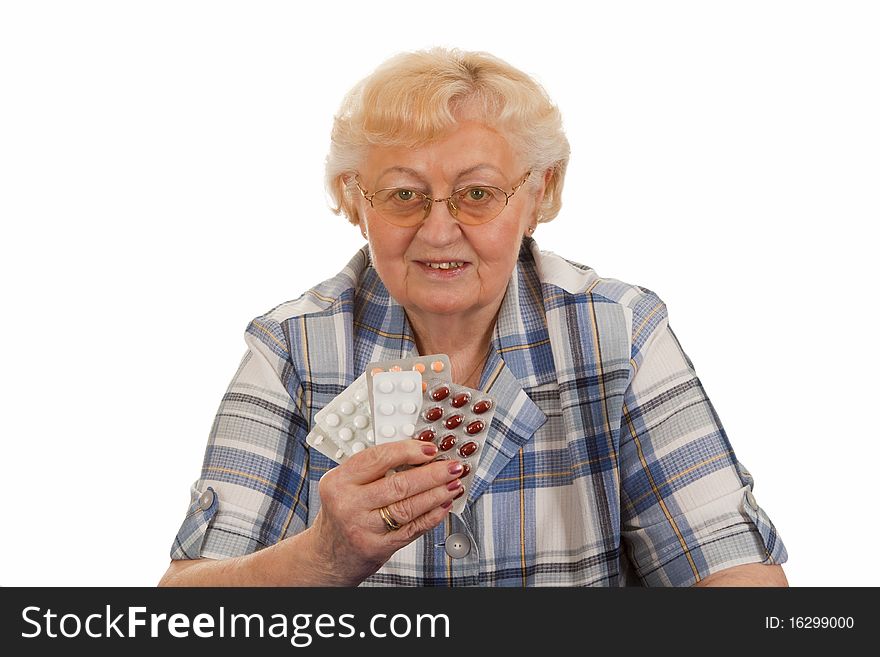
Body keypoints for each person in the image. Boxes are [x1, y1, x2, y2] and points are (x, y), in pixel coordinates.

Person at [159, 48, 788, 587]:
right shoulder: (291, 348)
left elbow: (738, 578)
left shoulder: (617, 331)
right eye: (403, 194)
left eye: (477, 194)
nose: (438, 230)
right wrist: (325, 556)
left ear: (540, 193)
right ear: (356, 200)